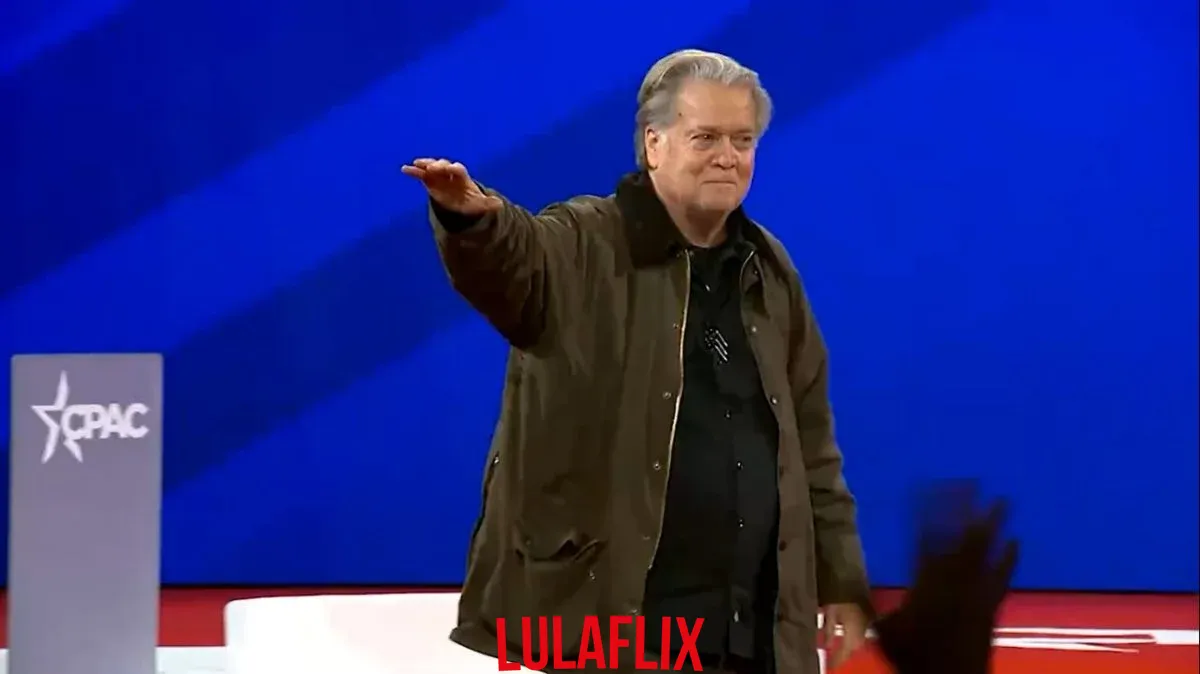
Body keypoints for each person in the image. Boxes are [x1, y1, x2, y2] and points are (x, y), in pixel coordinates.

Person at [403, 49, 873, 674]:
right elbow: (518, 263)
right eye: (705, 138)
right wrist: (473, 223)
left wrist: (839, 578)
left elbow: (811, 443)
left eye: (743, 140)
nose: (728, 157)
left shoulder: (769, 271)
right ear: (654, 143)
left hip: (750, 635)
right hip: (615, 631)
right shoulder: (586, 240)